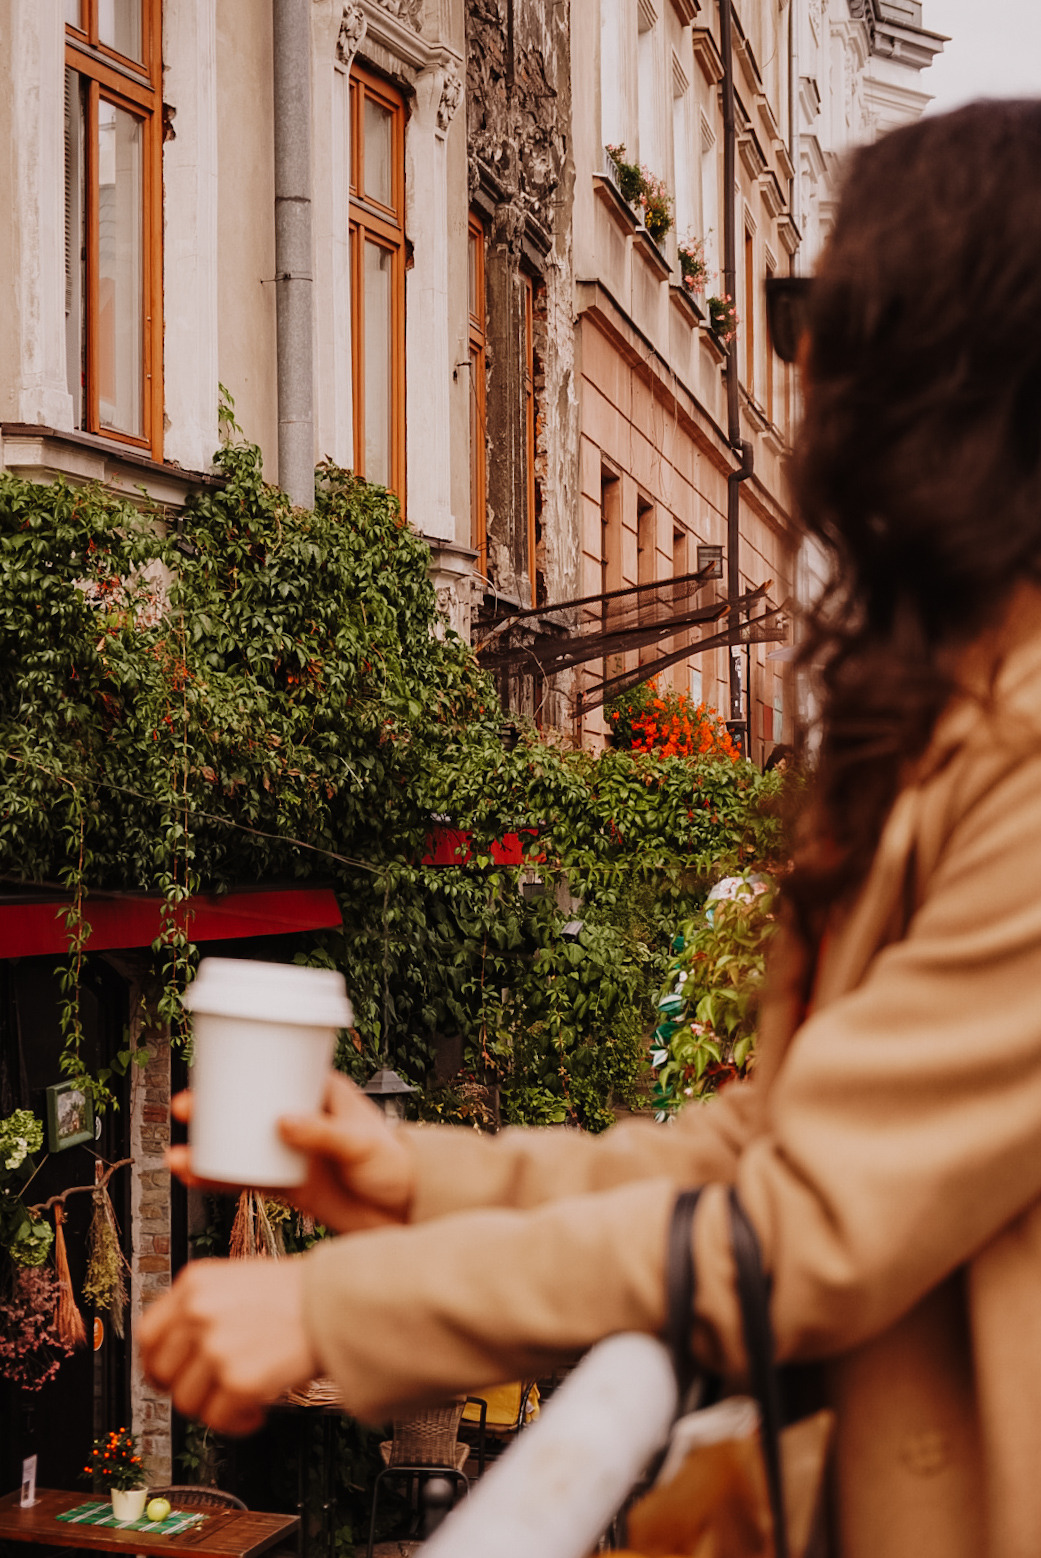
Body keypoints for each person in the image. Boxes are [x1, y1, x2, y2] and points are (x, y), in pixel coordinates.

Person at [140, 100, 1041, 1558]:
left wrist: (343, 1305)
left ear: (953, 379)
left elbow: (805, 1224)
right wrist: (423, 1180)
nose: (802, 386)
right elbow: (767, 1143)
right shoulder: (966, 719)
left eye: (826, 327)